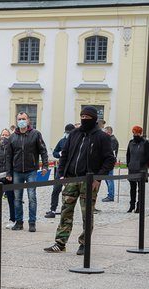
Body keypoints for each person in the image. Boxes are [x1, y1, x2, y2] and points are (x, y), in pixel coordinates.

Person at [44, 106, 116, 254]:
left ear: (94, 119)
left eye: (87, 118)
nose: (84, 120)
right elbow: (65, 154)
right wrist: (61, 174)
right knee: (65, 211)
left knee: (86, 214)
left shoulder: (102, 137)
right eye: (82, 117)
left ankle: (85, 243)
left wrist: (98, 177)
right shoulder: (74, 134)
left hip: (89, 181)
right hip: (71, 178)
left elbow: (109, 159)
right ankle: (60, 242)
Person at [7, 112, 49, 232]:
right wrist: (9, 173)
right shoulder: (12, 137)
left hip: (31, 170)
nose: (21, 121)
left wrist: (45, 165)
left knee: (32, 197)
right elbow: (8, 156)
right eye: (19, 119)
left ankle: (32, 222)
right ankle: (19, 222)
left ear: (28, 120)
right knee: (17, 198)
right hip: (17, 171)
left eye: (23, 119)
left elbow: (43, 150)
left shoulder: (35, 134)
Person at [45, 123, 75, 218]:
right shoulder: (62, 141)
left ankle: (66, 210)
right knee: (56, 189)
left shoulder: (77, 141)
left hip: (71, 169)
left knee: (69, 191)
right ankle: (53, 209)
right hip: (61, 168)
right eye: (67, 132)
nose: (68, 134)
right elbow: (54, 152)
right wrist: (59, 154)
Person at [0, 128, 16, 228]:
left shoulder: (12, 147)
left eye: (6, 135)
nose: (4, 136)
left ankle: (13, 219)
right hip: (0, 175)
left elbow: (13, 161)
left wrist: (9, 173)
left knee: (11, 198)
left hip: (9, 176)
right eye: (3, 135)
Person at [126, 126, 149, 213]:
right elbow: (128, 154)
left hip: (141, 169)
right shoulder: (131, 142)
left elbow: (147, 155)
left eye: (137, 133)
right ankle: (131, 205)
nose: (135, 134)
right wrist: (129, 164)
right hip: (132, 168)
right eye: (134, 133)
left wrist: (143, 164)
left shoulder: (145, 143)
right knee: (132, 188)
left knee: (140, 189)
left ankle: (139, 206)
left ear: (140, 133)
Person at [101, 126, 119, 202]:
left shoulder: (112, 140)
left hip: (109, 162)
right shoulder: (110, 139)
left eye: (105, 132)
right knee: (107, 179)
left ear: (109, 132)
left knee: (109, 179)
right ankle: (110, 195)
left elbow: (110, 152)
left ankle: (111, 196)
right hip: (107, 162)